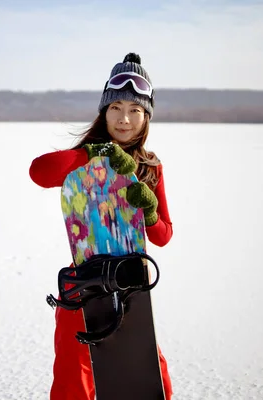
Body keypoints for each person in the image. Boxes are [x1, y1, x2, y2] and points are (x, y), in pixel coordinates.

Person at [29, 52, 174, 400]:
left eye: (135, 110)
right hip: (85, 284)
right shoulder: (85, 157)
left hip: (131, 290)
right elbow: (40, 172)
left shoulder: (150, 168)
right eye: (116, 107)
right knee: (72, 378)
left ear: (147, 116)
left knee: (151, 378)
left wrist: (149, 211)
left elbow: (163, 236)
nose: (124, 119)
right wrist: (96, 153)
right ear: (104, 111)